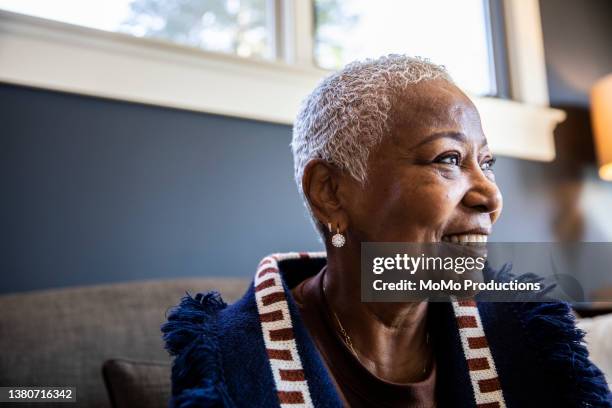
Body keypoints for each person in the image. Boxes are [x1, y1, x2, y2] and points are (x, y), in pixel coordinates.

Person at [162, 55, 611, 408]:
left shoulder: (530, 336)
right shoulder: (230, 365)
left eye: (487, 164)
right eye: (448, 159)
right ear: (330, 193)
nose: (490, 198)